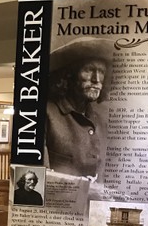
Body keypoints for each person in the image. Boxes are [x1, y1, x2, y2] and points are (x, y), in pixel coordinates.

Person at [45, 37, 114, 182]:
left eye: (101, 72)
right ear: (69, 75)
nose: (96, 79)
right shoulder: (46, 114)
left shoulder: (102, 120)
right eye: (88, 70)